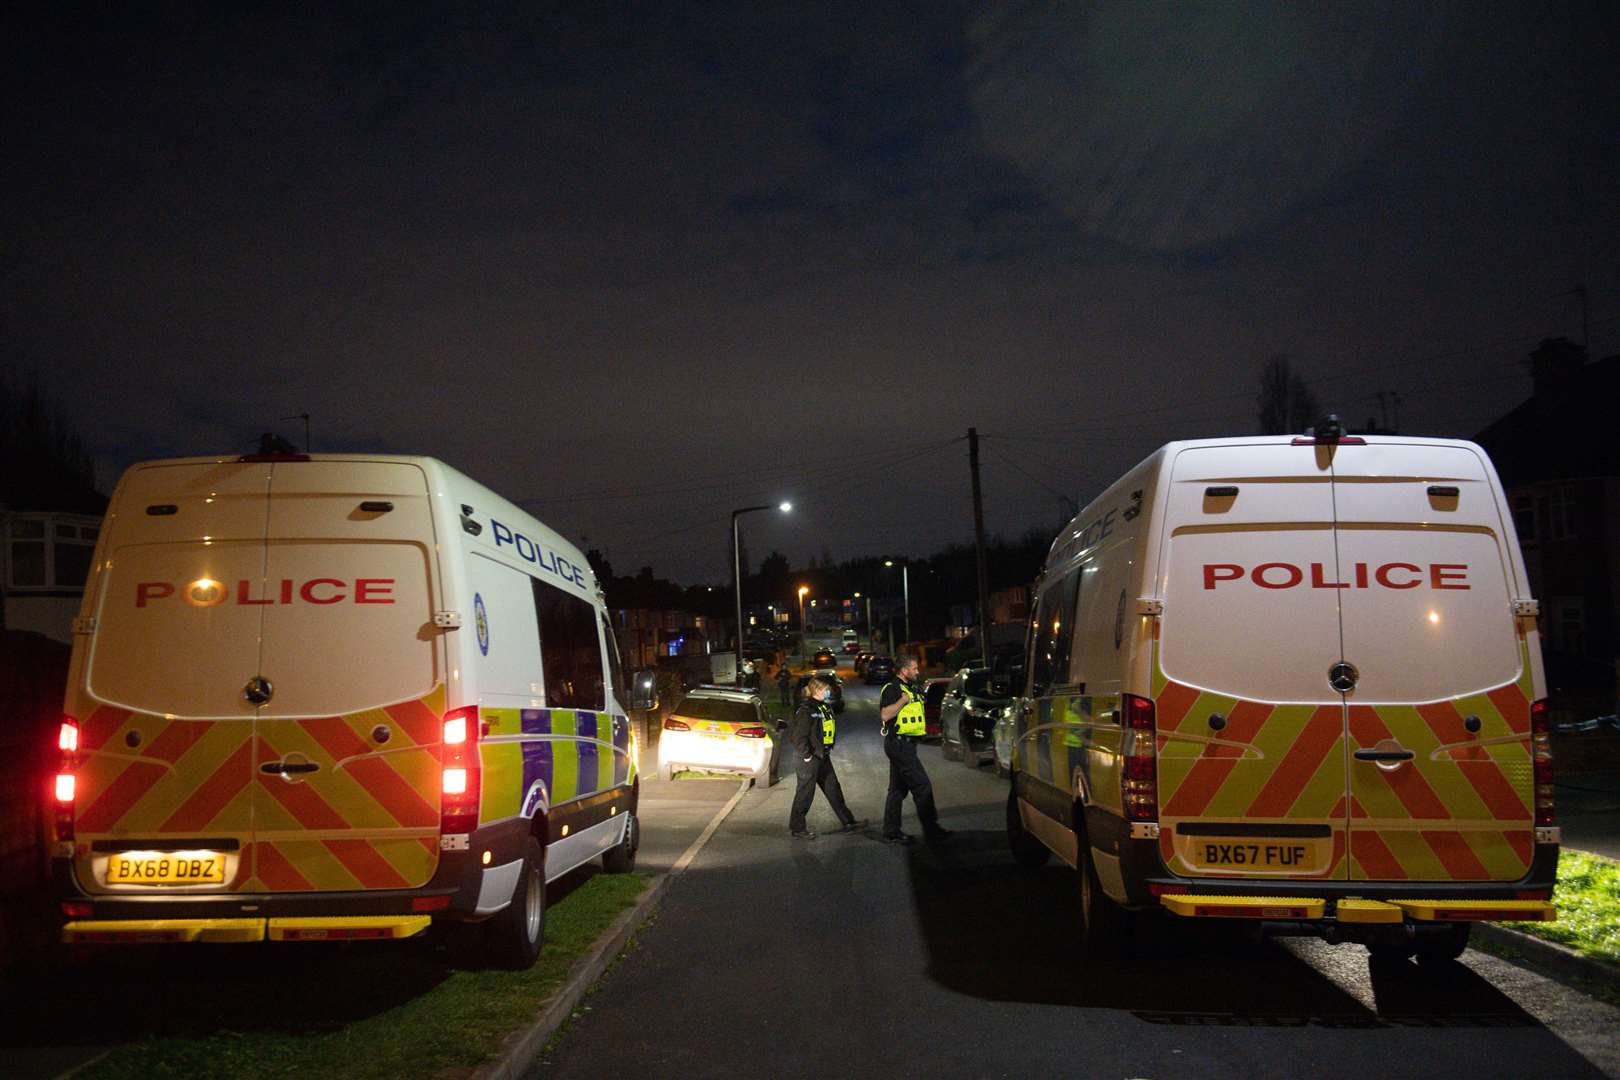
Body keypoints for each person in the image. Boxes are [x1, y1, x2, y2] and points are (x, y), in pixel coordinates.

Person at [879, 655, 950, 845]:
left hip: (907, 744)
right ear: (904, 670)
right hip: (899, 744)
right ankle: (932, 830)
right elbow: (885, 715)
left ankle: (891, 831)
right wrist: (902, 701)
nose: (918, 672)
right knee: (922, 785)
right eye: (914, 668)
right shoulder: (892, 689)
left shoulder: (911, 688)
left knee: (897, 790)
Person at [787, 675, 863, 839]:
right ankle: (797, 828)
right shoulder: (807, 709)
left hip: (822, 756)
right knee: (805, 793)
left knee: (833, 790)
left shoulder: (823, 707)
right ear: (818, 690)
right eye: (826, 689)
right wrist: (807, 755)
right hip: (809, 758)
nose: (829, 691)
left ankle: (849, 822)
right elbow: (798, 736)